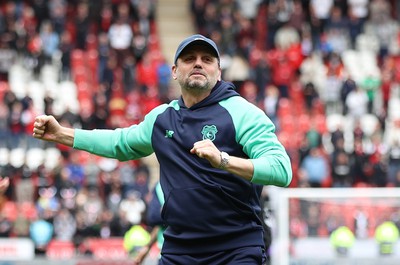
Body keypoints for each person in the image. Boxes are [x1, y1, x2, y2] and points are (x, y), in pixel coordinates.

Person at [32, 34, 292, 265]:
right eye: (189, 58)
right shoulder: (162, 118)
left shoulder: (242, 113)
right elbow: (120, 143)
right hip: (179, 250)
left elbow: (281, 170)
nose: (198, 63)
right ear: (175, 71)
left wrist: (224, 160)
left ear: (219, 72)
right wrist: (61, 134)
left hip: (235, 249)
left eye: (207, 59)